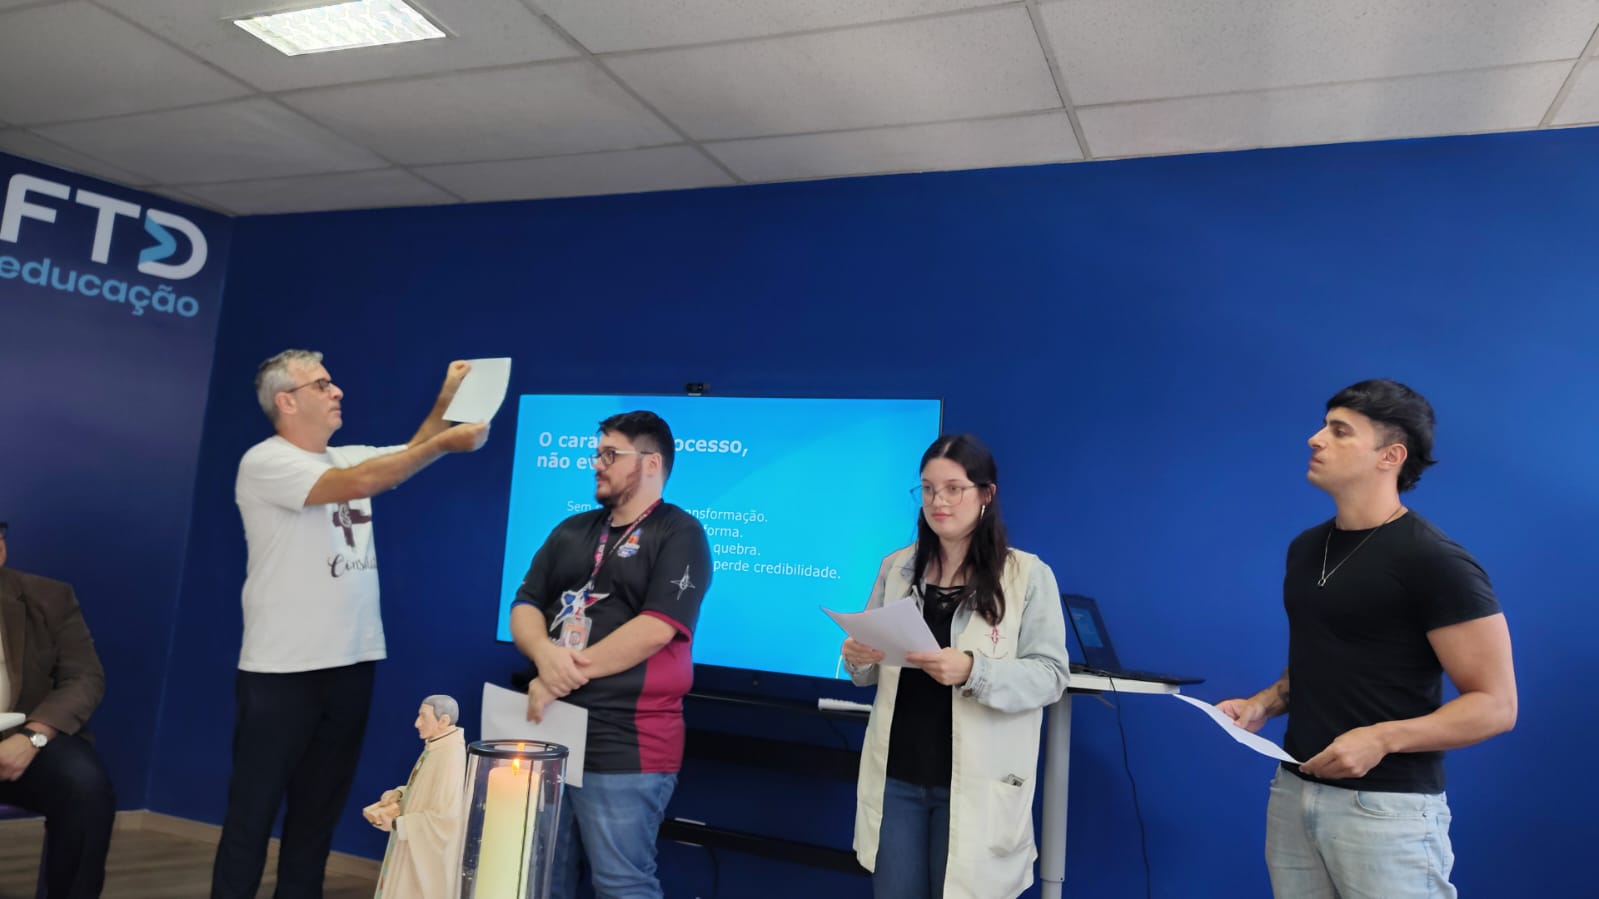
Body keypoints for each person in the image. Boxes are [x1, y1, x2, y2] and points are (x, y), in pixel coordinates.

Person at [1217, 379, 1517, 899]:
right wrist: (1262, 703)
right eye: (1323, 426)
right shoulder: (1306, 549)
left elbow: (1497, 705)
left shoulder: (1434, 561)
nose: (1315, 439)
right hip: (1293, 793)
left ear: (1390, 456)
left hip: (1385, 811)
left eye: (1340, 431)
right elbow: (1323, 659)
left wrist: (1380, 738)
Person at [212, 350, 490, 899]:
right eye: (321, 384)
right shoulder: (266, 461)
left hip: (351, 664)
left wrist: (447, 396)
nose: (336, 390)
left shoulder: (347, 457)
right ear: (287, 401)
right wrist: (443, 444)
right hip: (281, 671)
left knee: (318, 814)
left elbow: (407, 453)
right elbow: (363, 481)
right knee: (252, 814)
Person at [841, 434, 1069, 899]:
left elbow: (1051, 676)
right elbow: (867, 671)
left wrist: (972, 671)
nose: (937, 502)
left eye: (953, 489)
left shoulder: (1026, 575)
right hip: (897, 778)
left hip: (977, 785)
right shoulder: (897, 568)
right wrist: (857, 657)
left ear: (986, 494)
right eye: (927, 489)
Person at [508, 411, 711, 899]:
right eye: (597, 453)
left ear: (651, 463)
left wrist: (556, 675)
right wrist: (544, 654)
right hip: (549, 728)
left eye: (610, 454)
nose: (596, 464)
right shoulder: (571, 530)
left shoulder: (680, 533)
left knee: (621, 883)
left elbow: (656, 628)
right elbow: (525, 604)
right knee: (538, 876)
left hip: (626, 740)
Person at [0, 520, 116, 899]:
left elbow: (84, 677)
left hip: (22, 737)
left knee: (85, 788)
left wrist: (33, 737)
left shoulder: (48, 597)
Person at [364, 694, 467, 899]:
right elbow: (424, 791)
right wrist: (400, 794)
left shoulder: (450, 757)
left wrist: (397, 824)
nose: (416, 723)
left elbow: (445, 819)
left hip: (422, 857)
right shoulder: (436, 746)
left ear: (443, 721)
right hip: (410, 842)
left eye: (423, 717)